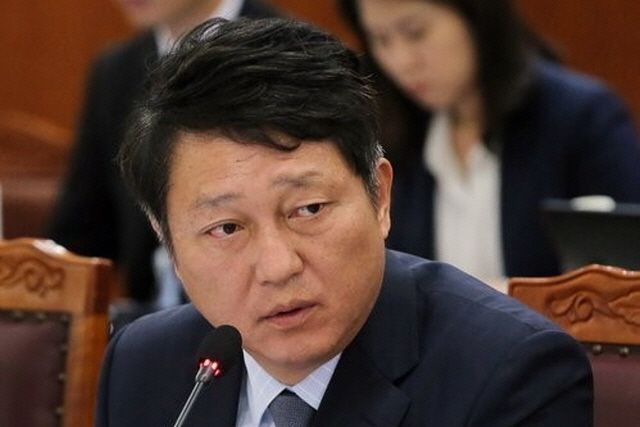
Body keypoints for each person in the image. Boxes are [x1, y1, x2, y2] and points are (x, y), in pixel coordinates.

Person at [95, 17, 592, 426]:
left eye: (308, 209)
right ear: (168, 241)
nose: (277, 266)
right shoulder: (141, 366)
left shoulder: (511, 375)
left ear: (380, 197)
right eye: (226, 228)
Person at [338, 0, 640, 284]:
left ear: (476, 15)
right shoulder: (390, 132)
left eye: (416, 33)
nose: (402, 60)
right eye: (381, 39)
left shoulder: (582, 120)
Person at [47, 0, 279, 307]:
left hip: (260, 306)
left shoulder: (290, 54)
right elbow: (80, 233)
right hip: (149, 313)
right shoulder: (116, 70)